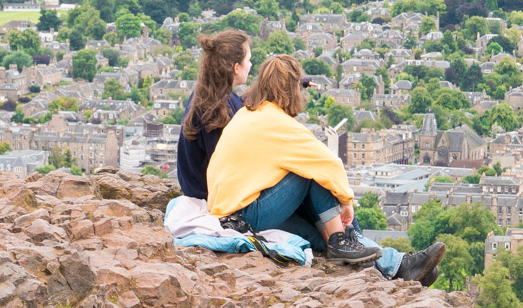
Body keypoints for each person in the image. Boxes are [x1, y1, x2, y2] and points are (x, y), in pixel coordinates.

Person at [208, 54, 444, 283]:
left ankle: (397, 268)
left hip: (229, 213)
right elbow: (329, 163)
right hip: (246, 213)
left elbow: (276, 85)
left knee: (318, 237)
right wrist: (346, 201)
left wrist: (294, 81)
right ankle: (345, 243)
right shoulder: (276, 122)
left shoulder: (251, 112)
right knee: (311, 175)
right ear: (291, 91)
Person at [176, 29, 252, 200]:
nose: (251, 65)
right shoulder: (215, 110)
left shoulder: (211, 94)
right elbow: (224, 173)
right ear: (236, 68)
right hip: (210, 196)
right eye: (248, 60)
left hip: (203, 190)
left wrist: (290, 83)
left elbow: (248, 102)